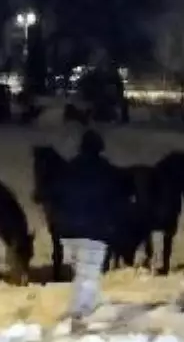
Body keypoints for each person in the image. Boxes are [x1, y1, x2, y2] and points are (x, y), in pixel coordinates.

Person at [47, 129, 128, 320]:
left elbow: (53, 195)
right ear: (100, 148)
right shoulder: (106, 171)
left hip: (67, 233)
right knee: (88, 277)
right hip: (94, 232)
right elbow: (118, 197)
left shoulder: (68, 169)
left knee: (80, 275)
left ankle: (84, 310)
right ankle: (79, 316)